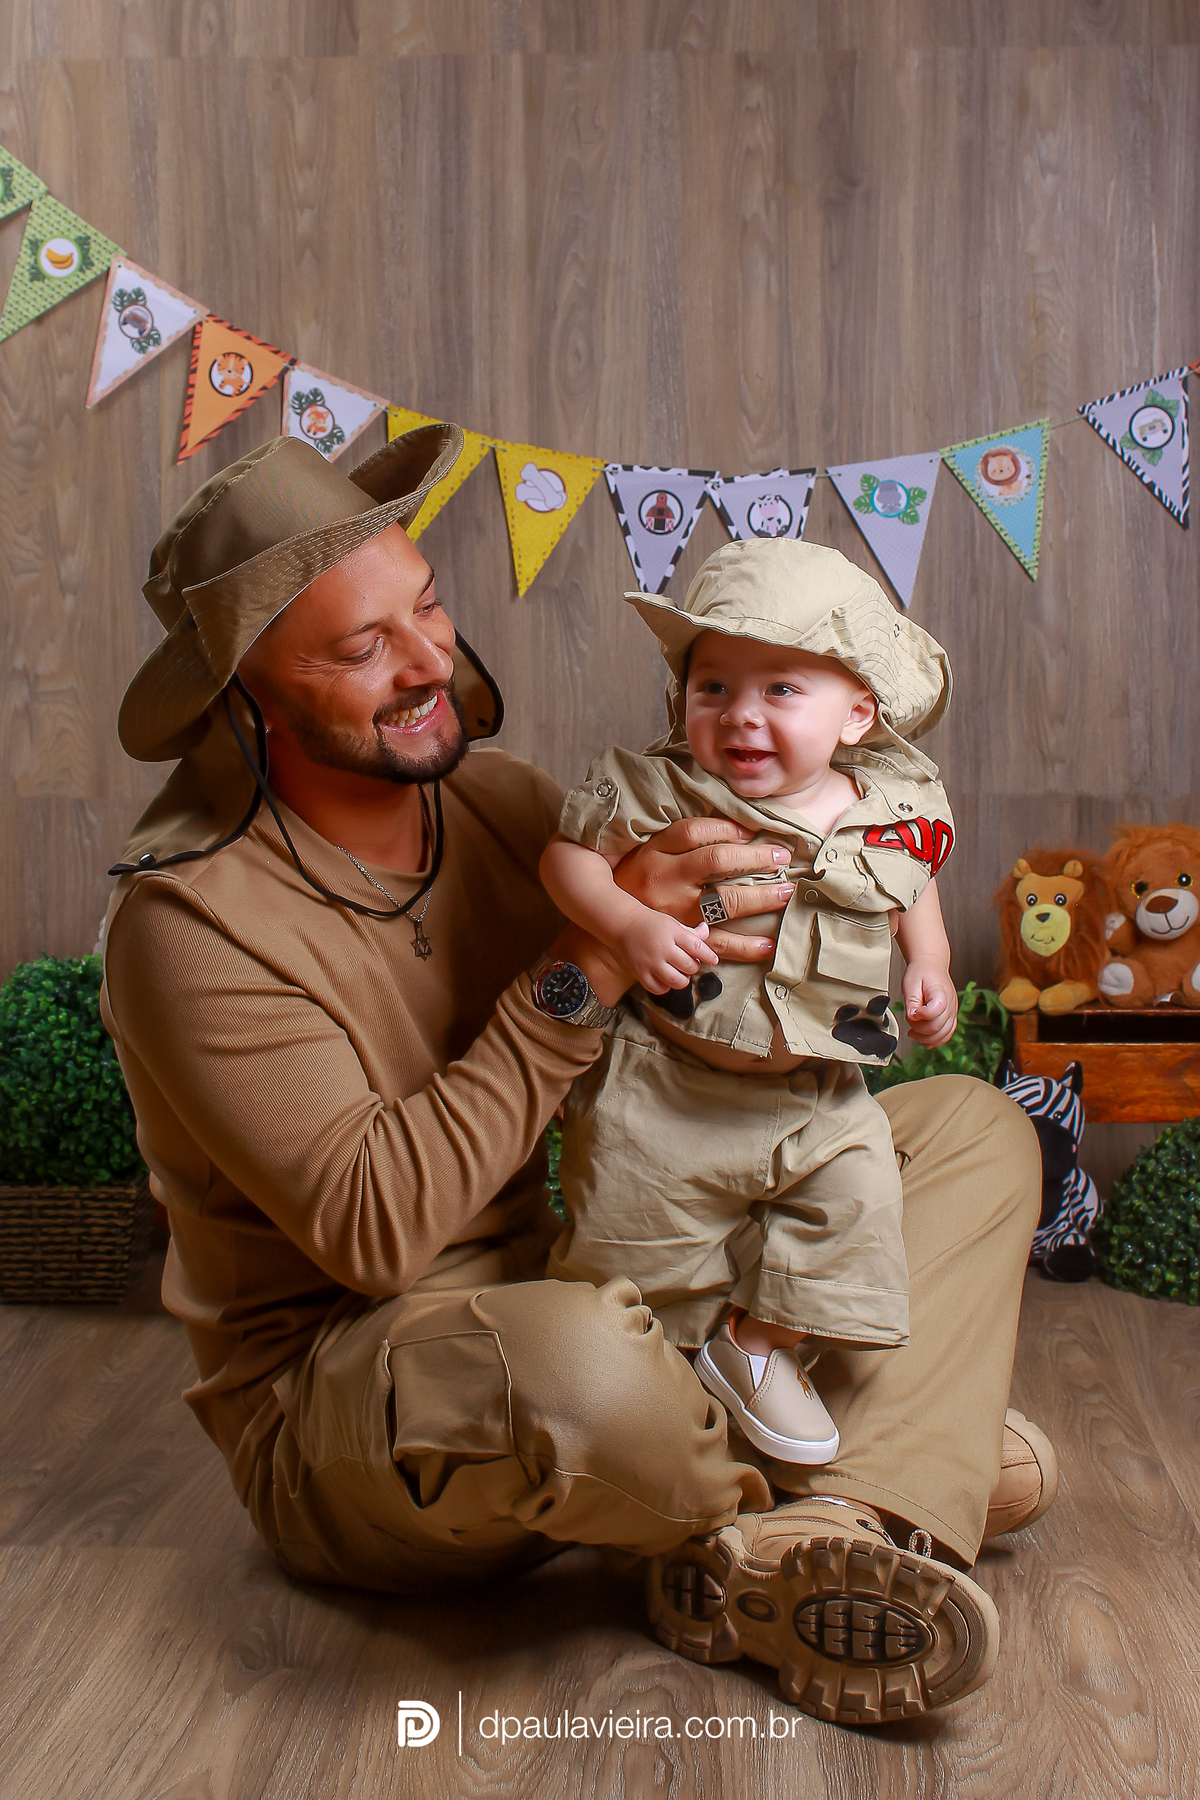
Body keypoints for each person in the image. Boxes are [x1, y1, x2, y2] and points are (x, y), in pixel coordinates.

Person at [100, 424, 1054, 1729]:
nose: (430, 661)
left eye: (426, 607)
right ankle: (872, 1485)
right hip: (361, 1388)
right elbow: (378, 1234)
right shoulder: (189, 927)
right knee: (585, 1369)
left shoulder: (504, 803)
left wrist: (845, 963)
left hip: (595, 1264)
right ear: (246, 694)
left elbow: (714, 1045)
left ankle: (806, 1517)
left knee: (968, 1131)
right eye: (359, 646)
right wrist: (594, 963)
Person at [540, 540, 957, 1465]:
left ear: (858, 712)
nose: (741, 717)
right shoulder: (659, 787)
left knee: (856, 1204)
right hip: (667, 1086)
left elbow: (913, 878)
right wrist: (625, 921)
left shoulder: (889, 802)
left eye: (781, 691)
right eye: (714, 688)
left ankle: (760, 1347)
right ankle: (653, 1406)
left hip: (822, 1090)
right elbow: (566, 857)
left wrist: (929, 963)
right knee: (633, 1255)